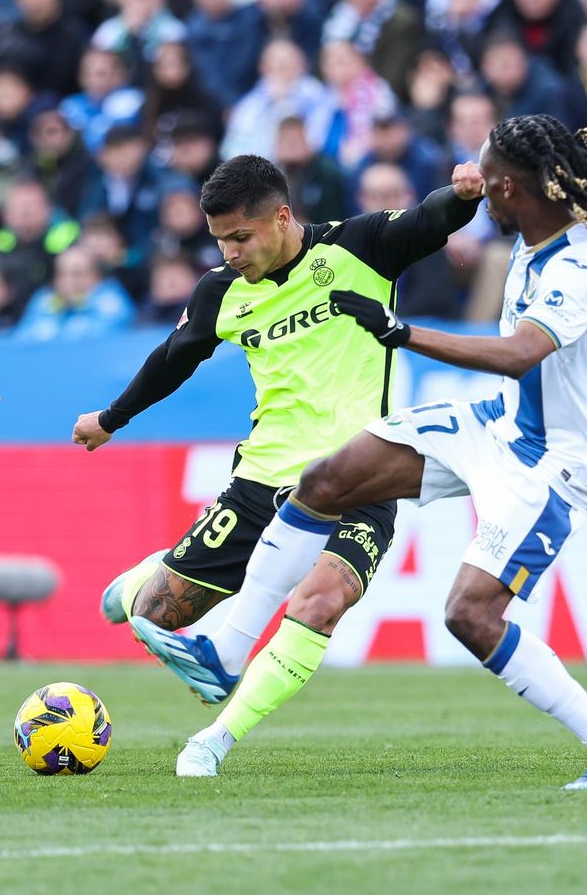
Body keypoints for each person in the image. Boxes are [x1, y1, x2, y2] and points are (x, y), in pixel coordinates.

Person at [153, 116, 587, 794]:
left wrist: (402, 332)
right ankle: (225, 650)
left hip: (556, 457)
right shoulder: (566, 234)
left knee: (469, 615)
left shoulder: (578, 262)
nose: (479, 190)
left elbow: (517, 355)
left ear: (513, 188)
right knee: (330, 476)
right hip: (501, 424)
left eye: (486, 179)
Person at [73, 153, 483, 679]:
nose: (229, 252)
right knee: (154, 617)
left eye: (240, 237)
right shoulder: (220, 290)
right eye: (220, 239)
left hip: (360, 473)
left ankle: (217, 730)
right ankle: (141, 581)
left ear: (282, 218)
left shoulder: (359, 245)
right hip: (262, 477)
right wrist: (111, 419)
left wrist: (464, 195)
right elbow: (174, 358)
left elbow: (431, 218)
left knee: (321, 605)